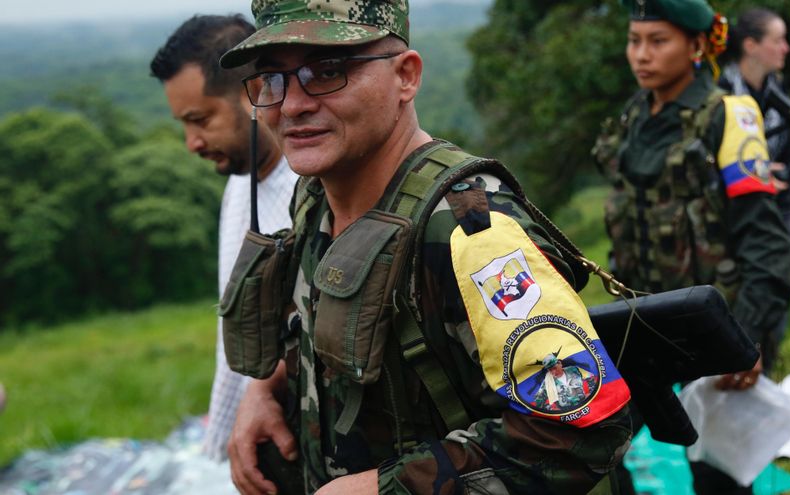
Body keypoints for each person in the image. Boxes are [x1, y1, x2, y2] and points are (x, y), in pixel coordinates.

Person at [220, 1, 633, 493]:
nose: (291, 105)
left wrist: (385, 489)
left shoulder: (470, 228)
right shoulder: (314, 198)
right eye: (272, 79)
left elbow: (581, 428)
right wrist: (264, 392)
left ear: (406, 76)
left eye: (326, 71)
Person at [593, 0, 790, 493]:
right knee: (597, 447)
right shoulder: (632, 118)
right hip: (642, 320)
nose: (641, 55)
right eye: (634, 40)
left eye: (657, 41)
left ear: (697, 45)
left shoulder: (729, 118)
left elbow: (765, 242)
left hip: (713, 323)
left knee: (718, 472)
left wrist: (743, 339)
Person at [150, 14, 298, 461]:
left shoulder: (311, 189)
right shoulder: (239, 183)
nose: (191, 142)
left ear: (254, 93)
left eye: (200, 119)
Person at [719, 8, 790, 361]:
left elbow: (789, 155)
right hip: (741, 218)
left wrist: (779, 176)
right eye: (777, 40)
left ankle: (769, 363)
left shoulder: (778, 90)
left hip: (782, 210)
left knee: (780, 289)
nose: (785, 48)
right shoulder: (722, 94)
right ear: (752, 45)